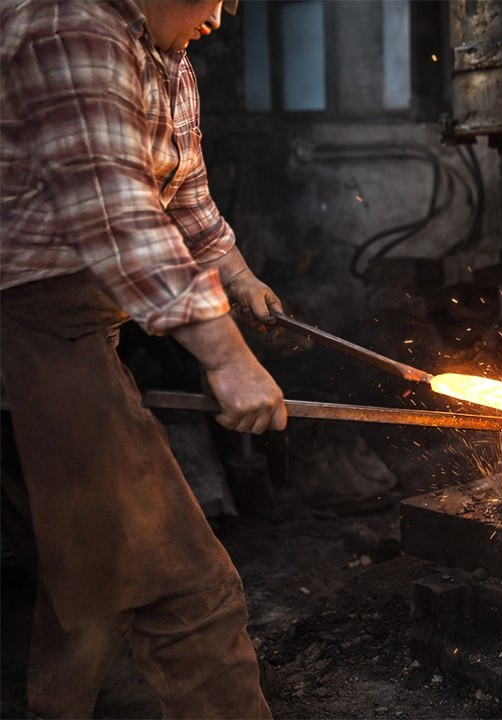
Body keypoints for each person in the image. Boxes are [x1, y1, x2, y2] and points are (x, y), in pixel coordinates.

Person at [1, 0, 286, 716]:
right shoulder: (66, 25)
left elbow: (185, 198)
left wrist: (243, 282)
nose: (222, 17)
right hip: (27, 325)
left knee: (92, 566)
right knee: (188, 587)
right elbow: (118, 215)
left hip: (81, 323)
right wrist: (225, 358)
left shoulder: (168, 56)